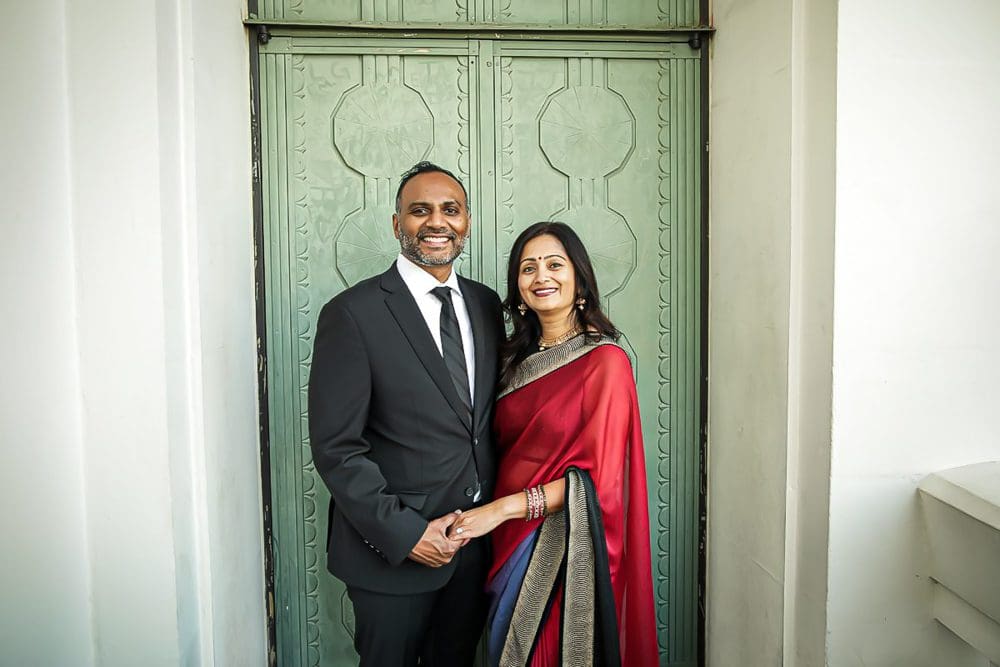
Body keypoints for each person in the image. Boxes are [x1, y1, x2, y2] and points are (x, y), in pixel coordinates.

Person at [308, 161, 504, 667]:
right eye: (420, 211)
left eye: (450, 210)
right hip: (390, 556)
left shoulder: (486, 305)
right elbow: (337, 449)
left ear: (466, 222)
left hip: (472, 550)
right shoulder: (352, 314)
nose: (436, 222)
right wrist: (408, 534)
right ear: (398, 225)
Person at [447, 221, 659, 666]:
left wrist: (502, 509)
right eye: (528, 268)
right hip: (501, 543)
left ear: (579, 280)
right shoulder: (506, 361)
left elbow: (598, 481)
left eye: (554, 265)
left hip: (560, 547)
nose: (541, 276)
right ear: (518, 287)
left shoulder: (605, 363)